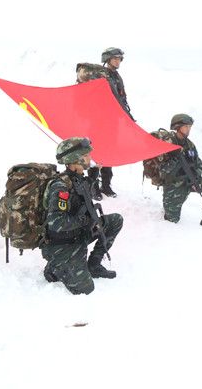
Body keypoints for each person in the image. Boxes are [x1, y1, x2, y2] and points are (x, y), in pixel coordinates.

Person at [41, 137, 123, 295]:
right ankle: (55, 268)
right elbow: (56, 222)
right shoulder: (60, 186)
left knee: (115, 221)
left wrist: (94, 175)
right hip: (63, 243)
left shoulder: (78, 179)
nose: (90, 157)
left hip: (78, 234)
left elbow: (83, 192)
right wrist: (85, 220)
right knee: (85, 289)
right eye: (86, 155)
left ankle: (94, 264)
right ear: (74, 160)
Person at [160, 114, 202, 225]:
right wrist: (174, 161)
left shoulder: (189, 145)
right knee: (172, 220)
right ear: (177, 127)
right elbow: (162, 172)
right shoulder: (167, 143)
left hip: (191, 181)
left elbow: (199, 164)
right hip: (174, 186)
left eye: (190, 127)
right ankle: (169, 209)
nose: (189, 129)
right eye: (186, 126)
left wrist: (195, 177)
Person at [88, 47, 133, 199]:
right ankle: (93, 187)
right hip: (99, 122)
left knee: (108, 153)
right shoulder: (100, 76)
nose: (118, 61)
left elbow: (122, 98)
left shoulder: (116, 76)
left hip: (112, 122)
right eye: (115, 58)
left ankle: (106, 186)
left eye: (119, 58)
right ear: (107, 59)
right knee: (96, 154)